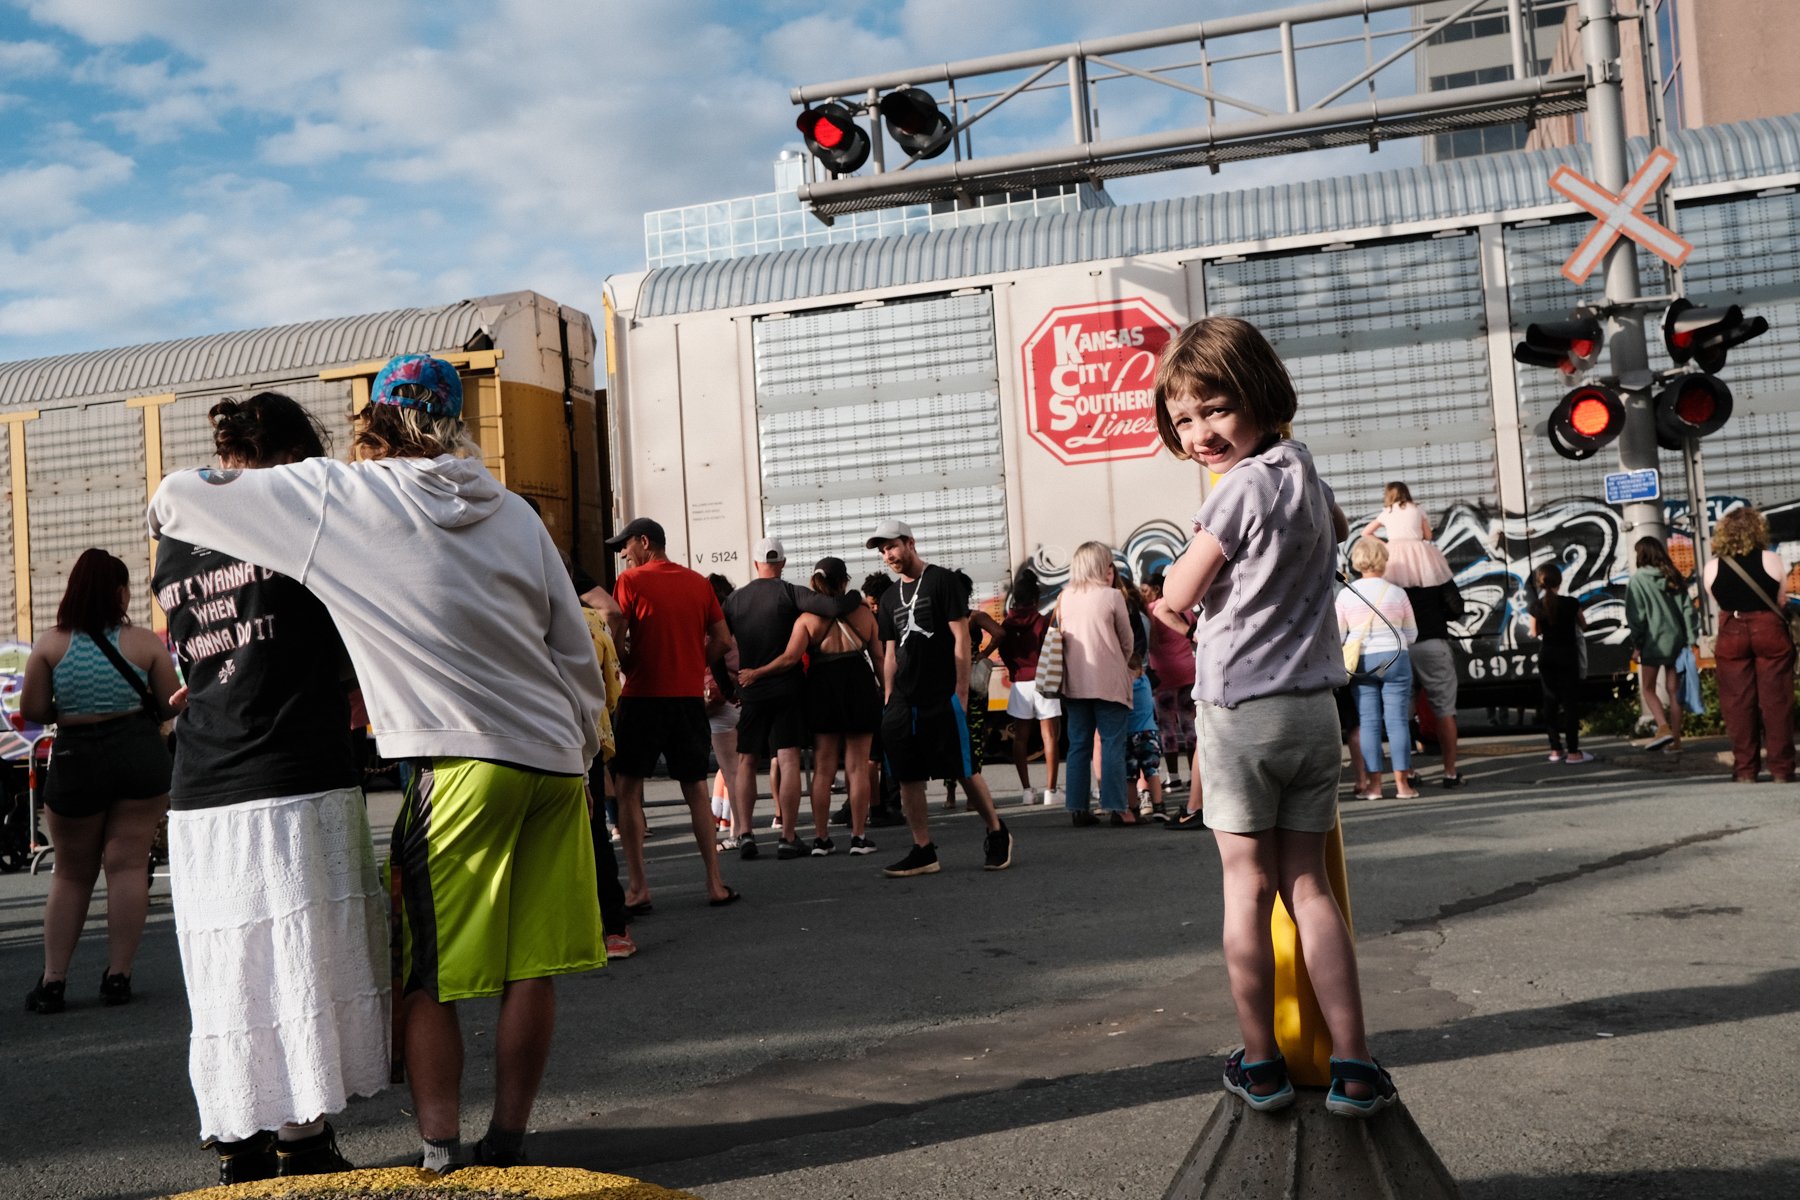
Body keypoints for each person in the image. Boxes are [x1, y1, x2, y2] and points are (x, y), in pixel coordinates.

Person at [149, 353, 607, 1172]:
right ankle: (508, 1141)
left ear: (373, 422)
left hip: (460, 761)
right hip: (552, 760)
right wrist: (578, 739)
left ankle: (439, 1148)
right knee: (530, 968)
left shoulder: (350, 495)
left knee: (426, 967)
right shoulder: (512, 509)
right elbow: (571, 646)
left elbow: (176, 497)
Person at [1155, 315, 1394, 1119]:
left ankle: (1260, 1063)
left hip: (1241, 715)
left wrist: (1167, 604)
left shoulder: (1238, 492)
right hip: (1314, 713)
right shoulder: (1311, 485)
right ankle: (1355, 1063)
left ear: (1260, 397)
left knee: (1245, 891)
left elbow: (1179, 597)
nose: (1198, 433)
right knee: (1311, 888)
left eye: (1214, 409)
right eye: (1184, 418)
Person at [151, 394, 384, 1182]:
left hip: (203, 787)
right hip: (290, 773)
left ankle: (238, 1140)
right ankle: (303, 1140)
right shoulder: (301, 521)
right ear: (292, 454)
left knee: (231, 969)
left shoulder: (178, 536)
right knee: (300, 960)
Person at [21, 549, 181, 1016]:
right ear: (120, 592)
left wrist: (66, 713)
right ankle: (118, 977)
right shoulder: (145, 644)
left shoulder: (51, 645)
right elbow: (170, 703)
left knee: (71, 874)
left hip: (76, 756)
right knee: (128, 869)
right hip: (138, 754)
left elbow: (32, 710)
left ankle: (53, 983)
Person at [867, 519, 1013, 876]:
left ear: (910, 543)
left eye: (892, 546)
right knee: (907, 775)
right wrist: (888, 698)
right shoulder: (887, 598)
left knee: (962, 769)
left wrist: (960, 692)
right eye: (883, 550)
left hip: (941, 694)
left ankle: (997, 832)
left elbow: (961, 640)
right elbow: (889, 652)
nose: (888, 555)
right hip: (903, 699)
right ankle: (923, 849)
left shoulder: (942, 582)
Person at [606, 517, 739, 905]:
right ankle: (715, 884)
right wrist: (693, 661)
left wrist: (625, 660)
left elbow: (616, 625)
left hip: (642, 698)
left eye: (625, 547)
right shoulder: (698, 583)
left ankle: (638, 888)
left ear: (644, 542)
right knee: (695, 788)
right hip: (686, 700)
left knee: (629, 789)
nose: (623, 555)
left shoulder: (631, 582)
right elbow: (723, 639)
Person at [726, 537, 863, 857]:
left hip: (752, 691)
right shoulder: (790, 593)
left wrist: (728, 684)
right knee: (787, 760)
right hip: (787, 688)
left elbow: (718, 641)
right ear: (783, 563)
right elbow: (832, 607)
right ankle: (788, 836)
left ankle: (745, 833)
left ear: (755, 563)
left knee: (745, 761)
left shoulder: (734, 600)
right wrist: (854, 594)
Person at [1703, 506, 1795, 782]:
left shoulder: (1713, 566)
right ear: (1757, 530)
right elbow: (1781, 600)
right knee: (1776, 701)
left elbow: (1716, 598)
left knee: (1738, 702)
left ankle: (1745, 769)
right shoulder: (1772, 559)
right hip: (1769, 629)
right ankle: (1781, 769)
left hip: (1731, 630)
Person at [797, 557, 882, 854]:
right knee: (858, 767)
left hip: (822, 688)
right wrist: (886, 691)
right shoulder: (863, 614)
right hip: (859, 686)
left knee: (823, 769)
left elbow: (792, 657)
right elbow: (880, 658)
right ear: (845, 582)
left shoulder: (807, 618)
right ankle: (858, 837)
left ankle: (821, 839)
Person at [1057, 542, 1138, 826]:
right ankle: (1119, 808)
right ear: (1101, 565)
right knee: (1112, 744)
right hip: (1109, 682)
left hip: (1074, 682)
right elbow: (1127, 641)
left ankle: (1078, 809)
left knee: (1078, 745)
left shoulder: (1064, 597)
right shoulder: (1113, 596)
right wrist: (1117, 660)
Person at [575, 571, 633, 961]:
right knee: (595, 834)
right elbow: (613, 689)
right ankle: (614, 928)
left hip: (525, 738)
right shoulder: (591, 621)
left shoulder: (509, 614)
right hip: (585, 739)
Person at [1336, 538, 1420, 801]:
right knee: (1397, 723)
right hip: (1395, 658)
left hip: (1363, 662)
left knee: (1369, 723)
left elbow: (1338, 635)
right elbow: (1412, 634)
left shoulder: (1347, 593)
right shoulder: (1397, 593)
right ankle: (1403, 786)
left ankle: (1374, 787)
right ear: (1383, 560)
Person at [1626, 537, 1699, 755]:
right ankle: (1676, 742)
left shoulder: (1637, 580)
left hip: (1652, 642)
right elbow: (1688, 610)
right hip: (1677, 641)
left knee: (1648, 688)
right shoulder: (1673, 576)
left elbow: (1636, 617)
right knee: (1674, 691)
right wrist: (1691, 639)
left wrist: (1637, 644)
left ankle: (1663, 727)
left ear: (1641, 555)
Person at [938, 569, 1002, 811]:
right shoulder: (974, 617)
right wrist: (981, 655)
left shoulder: (942, 618)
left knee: (951, 736)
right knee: (974, 738)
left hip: (948, 685)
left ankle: (950, 794)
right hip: (972, 686)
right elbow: (1000, 633)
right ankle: (973, 797)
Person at [997, 564, 1060, 807]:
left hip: (1019, 684)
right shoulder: (1043, 622)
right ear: (1035, 599)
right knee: (1050, 737)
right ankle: (1051, 791)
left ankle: (1026, 791)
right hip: (1043, 681)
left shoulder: (1006, 625)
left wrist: (1014, 670)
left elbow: (1003, 651)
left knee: (1020, 739)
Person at [1404, 576, 1470, 788]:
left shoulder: (1389, 568)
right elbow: (1455, 608)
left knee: (1401, 713)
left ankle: (1407, 772)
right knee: (1444, 710)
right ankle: (1450, 772)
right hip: (1432, 641)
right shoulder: (1433, 569)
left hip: (1401, 645)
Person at [1529, 564, 1592, 765]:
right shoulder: (1572, 603)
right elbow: (1583, 625)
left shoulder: (1536, 606)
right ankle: (1573, 752)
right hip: (1568, 655)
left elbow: (1534, 632)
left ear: (1540, 583)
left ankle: (1555, 749)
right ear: (1560, 581)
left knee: (1550, 703)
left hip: (1547, 655)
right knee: (1570, 704)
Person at [703, 573, 744, 847]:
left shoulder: (709, 630)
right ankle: (741, 829)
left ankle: (738, 831)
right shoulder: (741, 625)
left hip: (720, 704)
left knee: (731, 772)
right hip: (744, 698)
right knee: (743, 768)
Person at [1144, 573, 1195, 792]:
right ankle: (1195, 777)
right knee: (1190, 725)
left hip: (1163, 675)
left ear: (1156, 589)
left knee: (1167, 727)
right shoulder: (1186, 609)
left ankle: (1173, 778)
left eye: (1146, 589)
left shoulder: (1151, 610)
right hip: (1188, 673)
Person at [1120, 577, 1166, 820]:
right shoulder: (1145, 682)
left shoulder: (1122, 687)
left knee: (1129, 775)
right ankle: (1158, 806)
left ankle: (1133, 808)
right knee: (1152, 771)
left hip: (1128, 735)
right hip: (1149, 733)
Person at [1360, 481, 1452, 589]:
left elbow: (1365, 533)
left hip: (1394, 551)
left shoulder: (1387, 512)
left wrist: (1384, 544)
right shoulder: (1417, 509)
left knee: (1397, 586)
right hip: (1418, 551)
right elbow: (1428, 536)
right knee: (1424, 586)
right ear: (1406, 492)